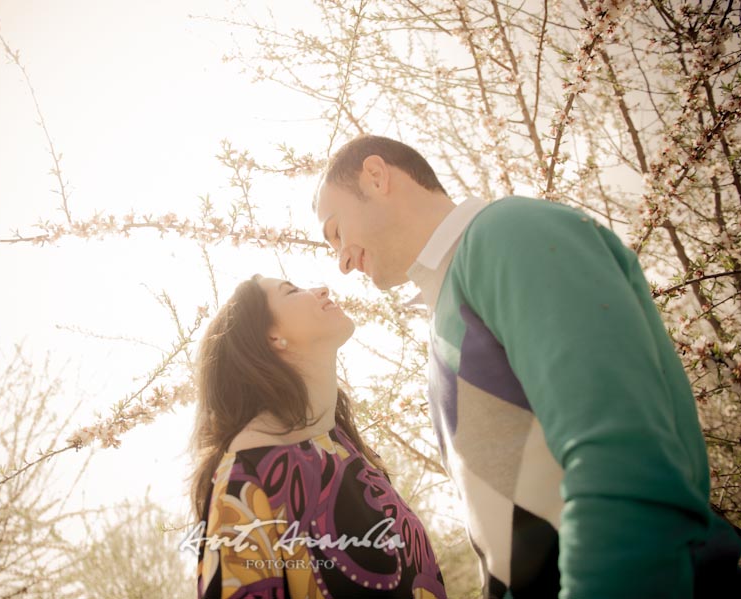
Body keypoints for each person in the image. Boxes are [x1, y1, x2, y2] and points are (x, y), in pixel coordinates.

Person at [313, 134, 741, 598]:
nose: (341, 263)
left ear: (375, 176)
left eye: (336, 231)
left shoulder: (510, 234)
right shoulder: (445, 314)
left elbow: (621, 453)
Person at [187, 274, 448, 598]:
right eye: (292, 291)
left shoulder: (340, 447)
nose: (321, 289)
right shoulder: (246, 483)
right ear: (272, 337)